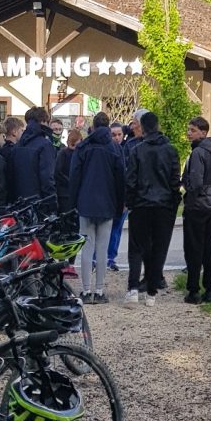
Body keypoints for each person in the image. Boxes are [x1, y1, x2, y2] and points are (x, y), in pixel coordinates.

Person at [124, 111, 180, 307]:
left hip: (141, 204)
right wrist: (173, 203)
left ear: (143, 127)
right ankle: (151, 292)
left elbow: (131, 180)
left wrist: (130, 203)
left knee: (136, 248)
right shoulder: (171, 151)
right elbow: (175, 181)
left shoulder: (137, 150)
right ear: (157, 126)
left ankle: (132, 288)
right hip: (163, 205)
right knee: (158, 248)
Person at [69, 112, 125, 303]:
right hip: (107, 203)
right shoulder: (115, 148)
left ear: (92, 126)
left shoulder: (83, 147)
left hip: (85, 202)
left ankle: (85, 291)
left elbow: (74, 177)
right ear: (108, 127)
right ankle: (99, 291)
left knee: (86, 247)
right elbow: (121, 179)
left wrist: (73, 203)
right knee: (102, 248)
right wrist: (120, 204)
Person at [181, 116, 211, 304]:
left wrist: (188, 190)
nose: (189, 133)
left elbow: (196, 181)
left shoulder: (198, 152)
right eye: (189, 130)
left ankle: (194, 290)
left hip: (197, 204)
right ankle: (210, 288)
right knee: (208, 246)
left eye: (193, 130)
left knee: (194, 248)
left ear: (203, 133)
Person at [123, 109, 148, 302]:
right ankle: (137, 283)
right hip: (143, 201)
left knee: (143, 245)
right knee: (139, 245)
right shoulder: (130, 145)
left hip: (145, 201)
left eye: (135, 123)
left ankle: (143, 282)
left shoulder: (154, 147)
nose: (132, 126)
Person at [11, 107, 57, 209]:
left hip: (19, 203)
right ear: (44, 121)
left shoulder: (17, 145)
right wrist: (52, 204)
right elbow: (47, 178)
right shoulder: (45, 145)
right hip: (39, 203)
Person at [106, 121, 128, 272]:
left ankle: (111, 257)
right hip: (109, 196)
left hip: (122, 196)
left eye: (119, 134)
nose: (117, 137)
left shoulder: (127, 149)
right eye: (114, 135)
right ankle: (98, 258)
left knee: (116, 229)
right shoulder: (107, 151)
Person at [54, 127, 83, 230]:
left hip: (70, 192)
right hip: (65, 193)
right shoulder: (64, 153)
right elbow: (58, 172)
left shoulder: (73, 153)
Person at [1, 115, 25, 203]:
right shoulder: (15, 151)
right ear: (14, 132)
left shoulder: (1, 149)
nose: (23, 133)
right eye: (22, 130)